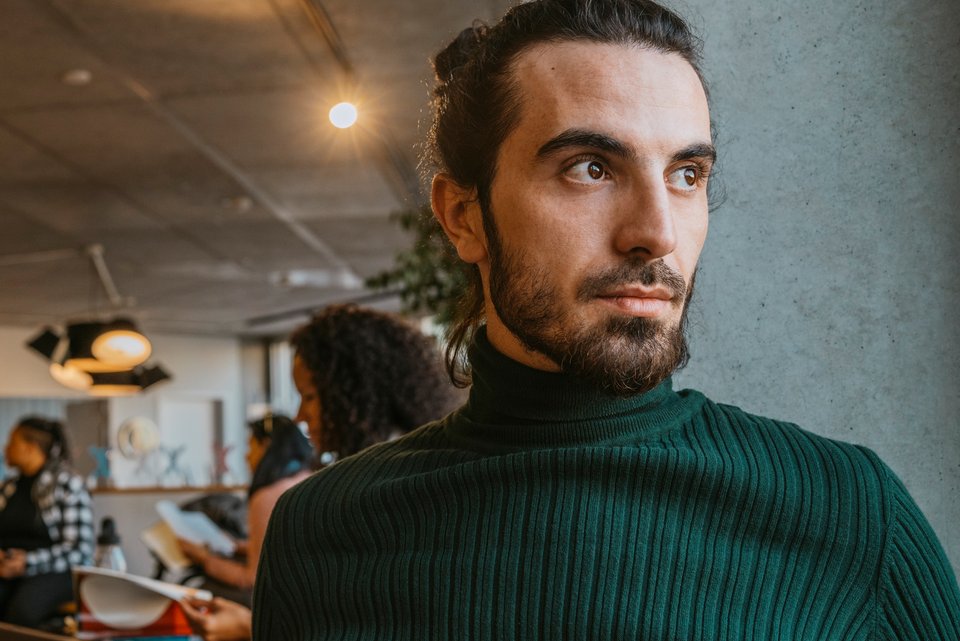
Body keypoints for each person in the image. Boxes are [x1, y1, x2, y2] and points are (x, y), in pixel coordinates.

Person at [252, 1, 960, 639]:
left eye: (687, 174)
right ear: (463, 216)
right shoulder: (321, 533)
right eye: (589, 167)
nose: (657, 232)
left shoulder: (850, 512)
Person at [183, 304, 459, 640]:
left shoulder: (377, 494)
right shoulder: (419, 470)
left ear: (354, 395)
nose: (300, 415)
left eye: (310, 397)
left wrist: (247, 629)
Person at [177, 414, 312, 604]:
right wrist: (239, 547)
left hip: (282, 601)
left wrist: (203, 559)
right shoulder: (307, 480)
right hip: (306, 593)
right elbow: (287, 549)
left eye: (250, 446)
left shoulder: (268, 497)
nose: (246, 455)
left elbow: (252, 579)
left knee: (198, 591)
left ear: (266, 446)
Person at [0, 416, 94, 628]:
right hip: (7, 569)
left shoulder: (68, 485)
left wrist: (27, 563)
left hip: (53, 569)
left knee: (20, 614)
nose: (5, 448)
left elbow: (80, 551)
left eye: (12, 442)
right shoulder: (8, 487)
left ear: (31, 448)